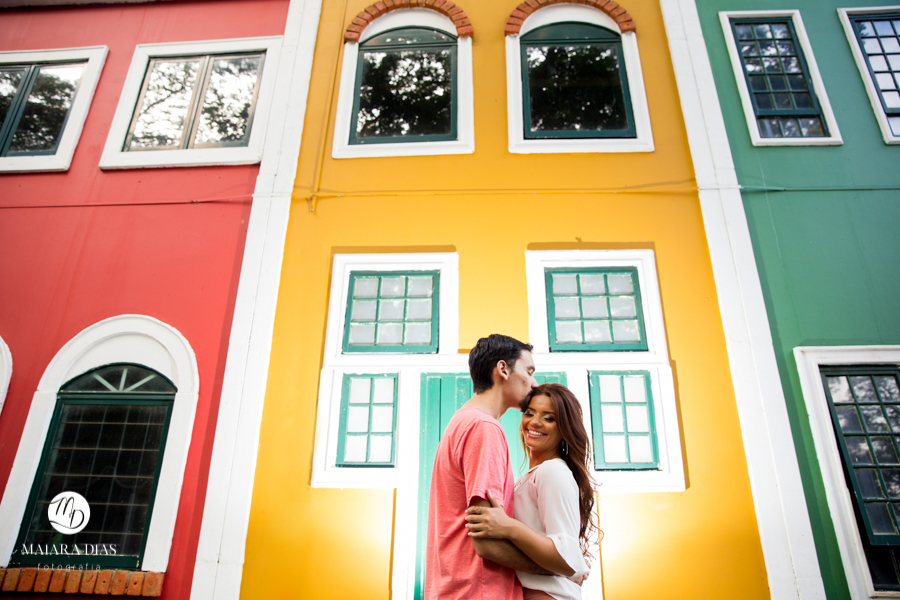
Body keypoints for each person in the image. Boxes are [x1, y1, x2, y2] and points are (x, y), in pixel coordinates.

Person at [425, 334, 559, 600]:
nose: (534, 383)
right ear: (503, 369)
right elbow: (487, 543)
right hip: (479, 592)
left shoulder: (461, 421)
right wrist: (557, 569)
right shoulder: (484, 428)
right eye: (529, 371)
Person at [465, 383, 596, 600]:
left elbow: (564, 556)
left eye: (549, 418)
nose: (534, 422)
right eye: (530, 413)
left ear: (565, 428)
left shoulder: (552, 470)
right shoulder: (532, 476)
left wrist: (508, 527)